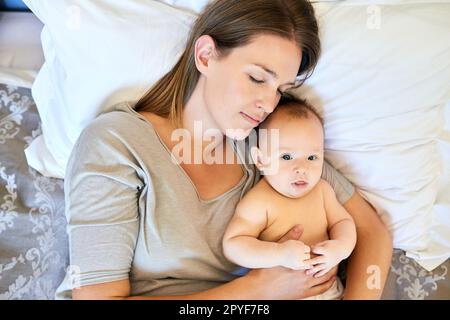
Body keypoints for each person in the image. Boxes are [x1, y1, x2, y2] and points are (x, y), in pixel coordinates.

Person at [56, 0, 392, 300]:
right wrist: (256, 290)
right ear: (205, 55)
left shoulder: (269, 143)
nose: (267, 103)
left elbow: (371, 231)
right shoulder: (117, 143)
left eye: (280, 89)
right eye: (258, 78)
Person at [222, 98, 357, 300]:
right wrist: (279, 254)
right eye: (286, 157)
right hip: (278, 294)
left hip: (329, 291)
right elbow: (233, 245)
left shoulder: (322, 191)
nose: (302, 168)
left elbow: (343, 222)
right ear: (260, 160)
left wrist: (340, 248)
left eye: (312, 158)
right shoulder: (259, 201)